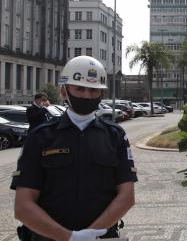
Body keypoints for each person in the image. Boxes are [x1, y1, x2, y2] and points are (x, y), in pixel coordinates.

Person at [11, 56, 137, 241]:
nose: (87, 95)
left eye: (94, 90)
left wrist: (89, 236)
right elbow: (23, 206)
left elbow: (126, 196)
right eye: (80, 88)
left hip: (101, 237)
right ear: (64, 91)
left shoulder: (115, 136)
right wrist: (69, 237)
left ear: (102, 94)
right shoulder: (40, 137)